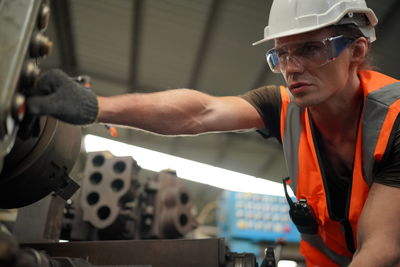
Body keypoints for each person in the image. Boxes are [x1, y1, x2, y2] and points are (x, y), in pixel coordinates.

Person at [27, 0, 400, 266]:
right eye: (281, 54)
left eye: (309, 49)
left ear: (356, 50)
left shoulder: (395, 121)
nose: (291, 68)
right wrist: (97, 107)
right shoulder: (283, 107)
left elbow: (380, 248)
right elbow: (200, 112)